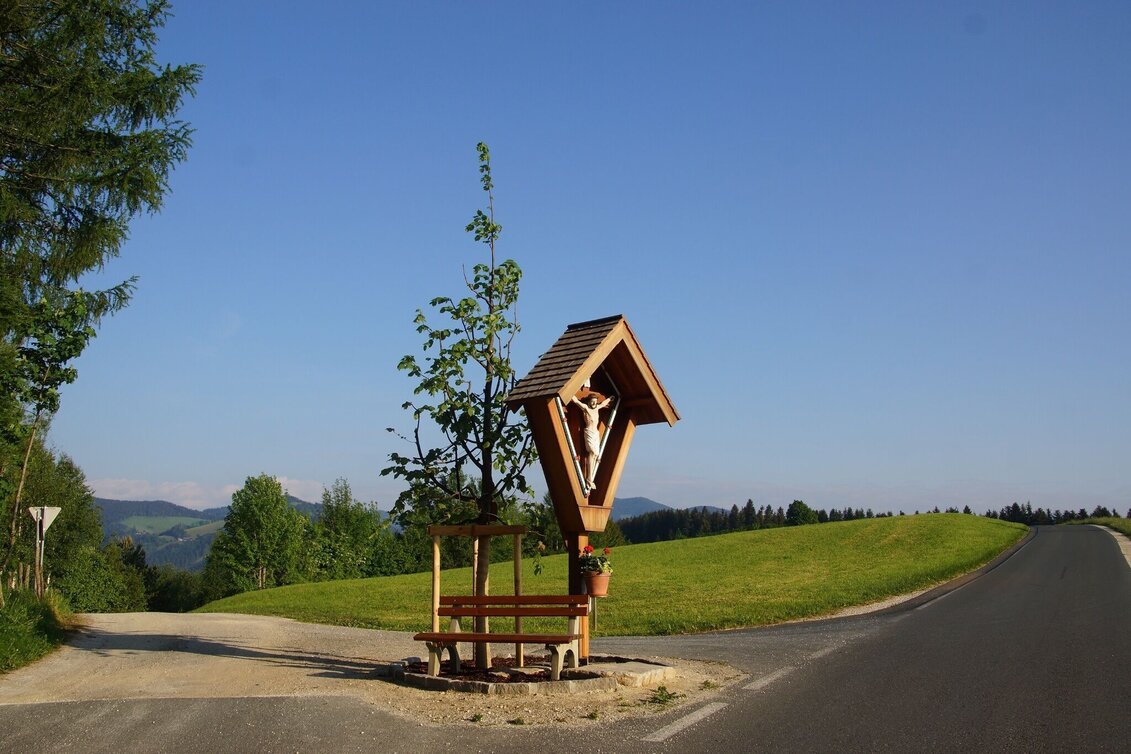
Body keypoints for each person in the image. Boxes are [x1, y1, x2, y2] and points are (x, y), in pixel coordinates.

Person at [570, 393, 612, 490]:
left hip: (595, 433)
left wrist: (609, 398)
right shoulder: (585, 408)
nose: (594, 403)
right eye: (592, 401)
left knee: (595, 454)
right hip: (589, 431)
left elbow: (603, 404)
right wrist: (570, 393)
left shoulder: (597, 408)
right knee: (592, 451)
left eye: (595, 402)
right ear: (589, 402)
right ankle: (589, 478)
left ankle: (590, 477)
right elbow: (576, 401)